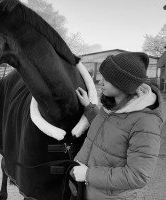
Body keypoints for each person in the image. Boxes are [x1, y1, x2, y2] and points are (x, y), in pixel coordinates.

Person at [70, 52, 165, 200]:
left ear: (123, 84)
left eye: (107, 79)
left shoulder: (146, 123)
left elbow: (138, 176)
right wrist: (88, 106)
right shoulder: (111, 105)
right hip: (86, 190)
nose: (101, 82)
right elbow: (111, 126)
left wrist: (88, 174)